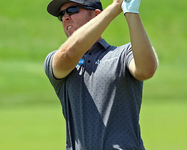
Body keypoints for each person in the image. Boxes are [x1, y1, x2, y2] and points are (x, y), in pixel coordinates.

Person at [44, 0, 158, 149]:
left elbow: (146, 70)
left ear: (96, 15)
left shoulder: (123, 55)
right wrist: (115, 7)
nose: (65, 17)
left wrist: (131, 12)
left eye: (72, 10)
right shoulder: (56, 59)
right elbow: (69, 53)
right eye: (61, 14)